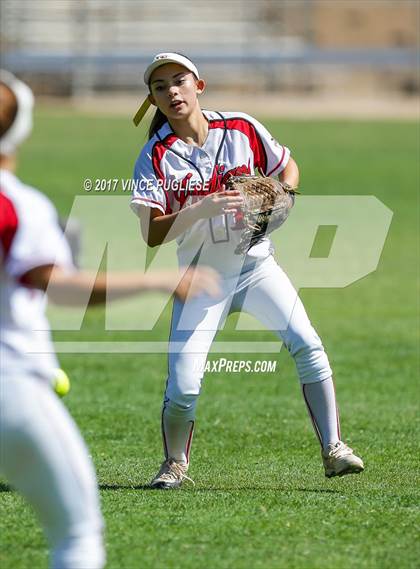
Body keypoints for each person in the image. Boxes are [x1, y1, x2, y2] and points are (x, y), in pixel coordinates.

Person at [0, 70, 220, 569]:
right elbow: (59, 286)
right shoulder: (19, 205)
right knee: (77, 536)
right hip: (12, 386)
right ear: (22, 130)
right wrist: (156, 281)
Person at [130, 52, 364, 489]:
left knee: (307, 344)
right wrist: (202, 208)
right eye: (160, 87)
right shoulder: (155, 155)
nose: (172, 92)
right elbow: (150, 233)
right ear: (153, 99)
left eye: (179, 81)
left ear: (199, 85)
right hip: (202, 279)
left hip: (257, 267)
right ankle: (174, 464)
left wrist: (283, 193)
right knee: (183, 384)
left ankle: (334, 449)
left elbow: (287, 167)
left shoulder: (240, 127)